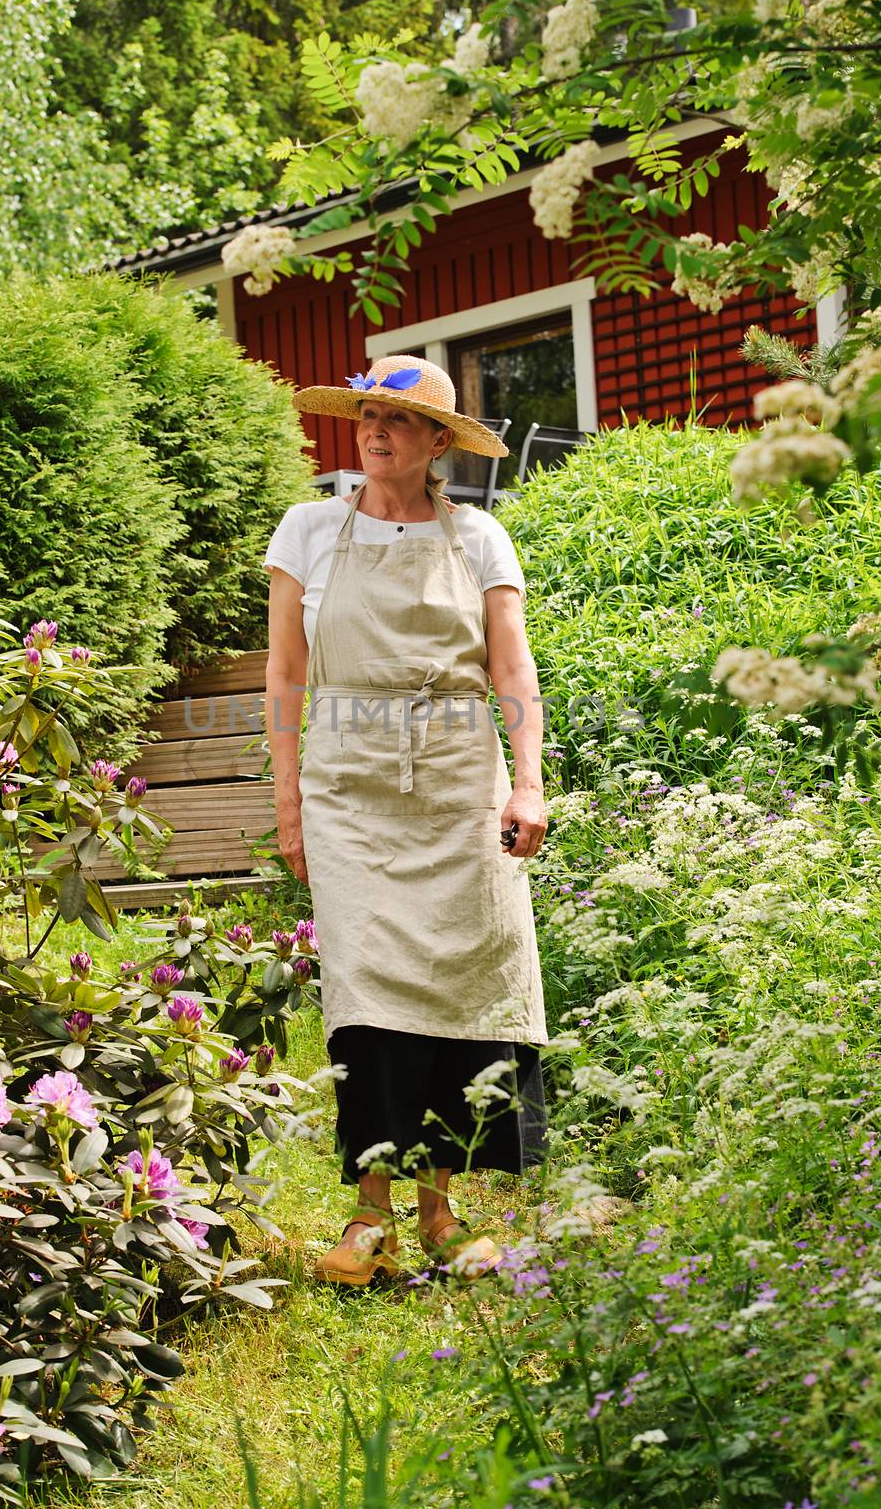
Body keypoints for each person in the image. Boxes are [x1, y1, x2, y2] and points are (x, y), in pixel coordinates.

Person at [264, 354, 549, 1287]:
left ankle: (439, 1212)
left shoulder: (479, 541)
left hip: (459, 775)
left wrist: (527, 784)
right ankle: (367, 1217)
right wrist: (288, 803)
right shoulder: (307, 530)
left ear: (437, 442)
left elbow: (511, 672)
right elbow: (283, 678)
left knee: (458, 984)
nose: (373, 433)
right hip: (347, 784)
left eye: (395, 421)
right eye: (364, 418)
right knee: (367, 996)